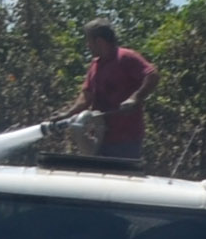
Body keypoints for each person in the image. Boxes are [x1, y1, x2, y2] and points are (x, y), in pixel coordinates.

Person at [64, 18, 154, 162]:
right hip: (99, 139)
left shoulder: (125, 57)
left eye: (89, 41)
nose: (87, 46)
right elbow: (86, 98)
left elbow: (152, 75)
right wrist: (67, 114)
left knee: (122, 180)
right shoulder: (95, 65)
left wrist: (135, 98)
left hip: (126, 141)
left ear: (99, 41)